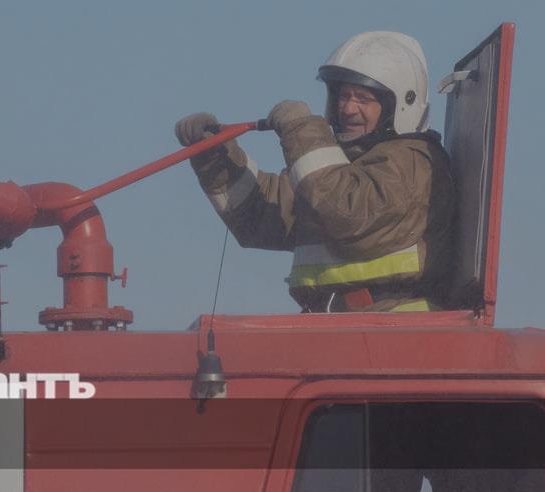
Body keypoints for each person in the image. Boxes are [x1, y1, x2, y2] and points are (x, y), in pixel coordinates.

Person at [176, 31, 455, 312]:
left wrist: (301, 128)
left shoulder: (413, 162)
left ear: (400, 105)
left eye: (363, 98)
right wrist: (215, 157)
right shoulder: (339, 170)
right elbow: (260, 217)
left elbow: (345, 212)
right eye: (344, 96)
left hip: (394, 327)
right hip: (338, 326)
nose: (348, 108)